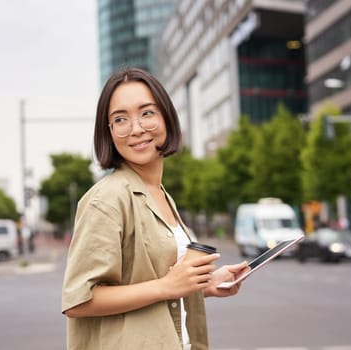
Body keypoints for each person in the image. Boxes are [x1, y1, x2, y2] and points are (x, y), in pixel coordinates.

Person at [61, 68, 249, 350]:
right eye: (120, 119)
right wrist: (168, 286)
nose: (136, 128)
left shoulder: (162, 195)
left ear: (166, 117)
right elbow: (79, 300)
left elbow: (156, 284)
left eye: (147, 113)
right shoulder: (107, 199)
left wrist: (202, 285)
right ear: (109, 132)